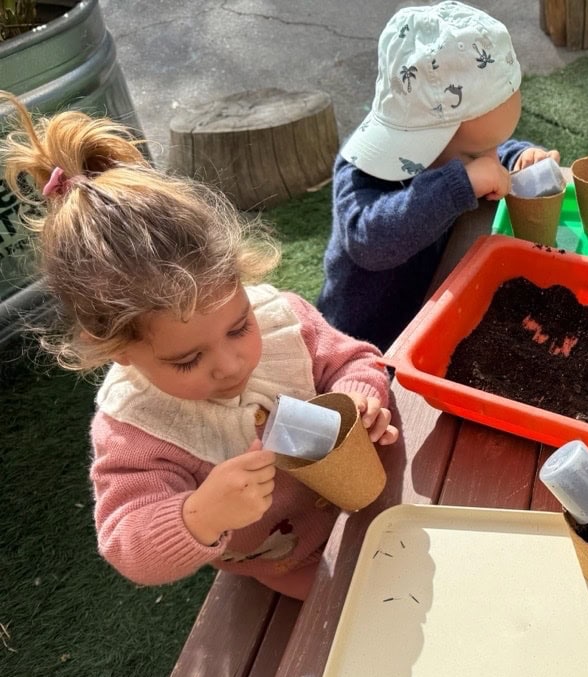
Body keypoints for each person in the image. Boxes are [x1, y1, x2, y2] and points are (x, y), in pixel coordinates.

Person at [1, 93, 399, 601]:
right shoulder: (136, 427)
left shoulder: (280, 321)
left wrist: (362, 399)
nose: (231, 364)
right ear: (115, 347)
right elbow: (126, 539)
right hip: (284, 558)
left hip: (369, 490)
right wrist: (200, 514)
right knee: (346, 609)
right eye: (188, 359)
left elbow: (353, 360)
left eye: (238, 328)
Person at [317, 0, 561, 350]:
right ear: (420, 139)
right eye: (479, 154)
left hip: (433, 310)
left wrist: (518, 155)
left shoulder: (463, 148)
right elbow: (369, 241)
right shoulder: (361, 170)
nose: (492, 158)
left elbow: (483, 147)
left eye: (500, 143)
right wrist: (460, 184)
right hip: (366, 344)